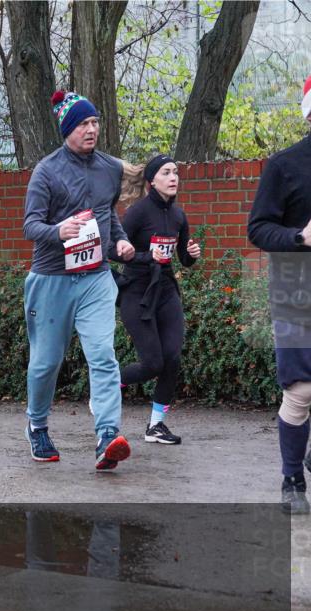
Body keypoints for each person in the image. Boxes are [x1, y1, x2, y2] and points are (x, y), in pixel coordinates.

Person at [21, 90, 136, 470]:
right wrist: (59, 231)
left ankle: (107, 436)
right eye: (84, 123)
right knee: (46, 363)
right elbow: (30, 225)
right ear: (68, 128)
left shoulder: (108, 168)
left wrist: (118, 240)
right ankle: (37, 425)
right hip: (52, 278)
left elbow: (108, 214)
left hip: (96, 278)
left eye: (95, 122)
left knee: (103, 356)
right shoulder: (47, 170)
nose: (92, 129)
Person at [246, 74, 311, 514]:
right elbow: (258, 228)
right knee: (303, 391)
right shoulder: (284, 166)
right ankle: (292, 478)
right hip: (296, 292)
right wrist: (300, 238)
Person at [117, 155, 202, 445]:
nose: (174, 177)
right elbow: (111, 251)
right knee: (152, 362)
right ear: (153, 180)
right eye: (167, 172)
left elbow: (182, 259)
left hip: (165, 289)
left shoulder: (179, 216)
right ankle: (109, 384)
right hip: (136, 291)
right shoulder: (138, 213)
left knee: (172, 358)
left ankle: (156, 426)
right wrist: (143, 256)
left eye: (176, 172)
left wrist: (190, 255)